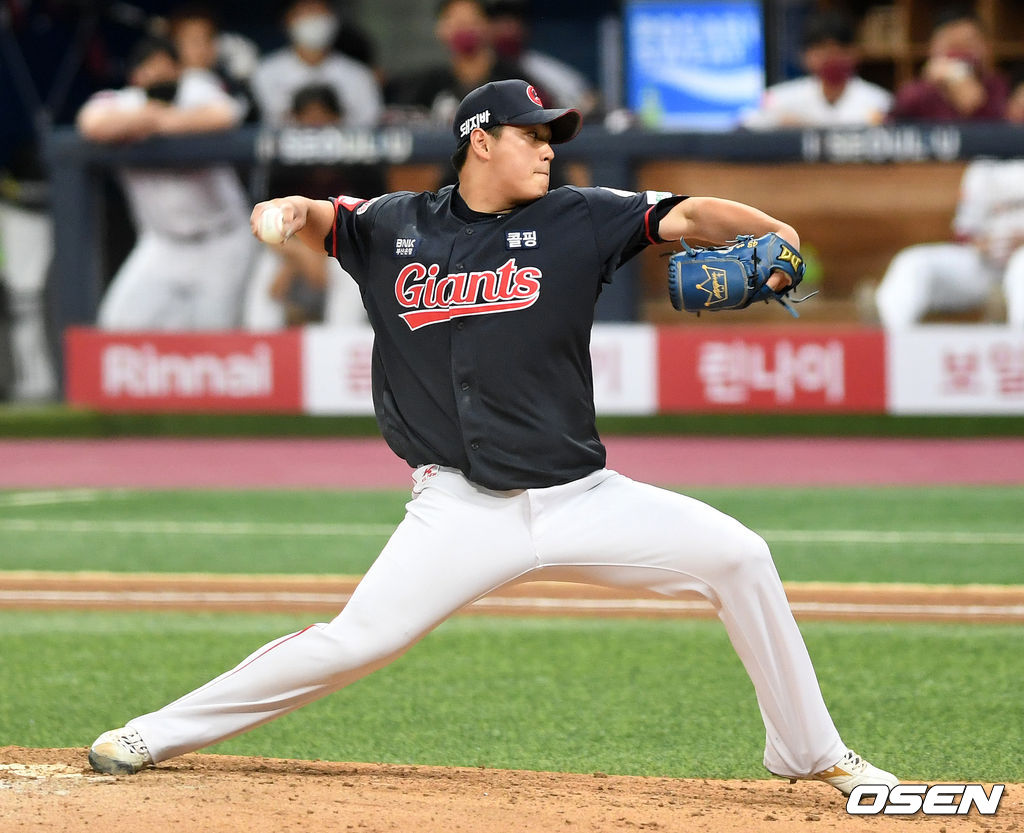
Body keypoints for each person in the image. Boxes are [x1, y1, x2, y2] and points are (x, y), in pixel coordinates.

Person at [88, 78, 898, 799]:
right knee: (354, 641)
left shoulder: (577, 217)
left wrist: (777, 231)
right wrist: (285, 211)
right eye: (533, 135)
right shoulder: (398, 226)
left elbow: (681, 214)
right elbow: (323, 216)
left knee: (740, 556)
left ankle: (810, 751)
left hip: (584, 498)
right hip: (459, 508)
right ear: (480, 140)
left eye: (551, 137)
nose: (548, 151)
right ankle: (152, 731)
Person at [76, 36, 255, 330]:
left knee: (213, 338)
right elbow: (90, 124)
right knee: (116, 326)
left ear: (179, 72)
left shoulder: (198, 89)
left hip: (221, 241)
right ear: (135, 77)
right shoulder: (122, 102)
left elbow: (225, 114)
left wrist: (154, 123)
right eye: (151, 70)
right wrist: (152, 117)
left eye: (167, 69)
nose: (160, 76)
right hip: (162, 244)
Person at [244, 84, 373, 329]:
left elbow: (371, 224)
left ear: (337, 118)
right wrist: (297, 258)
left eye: (322, 116)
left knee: (350, 280)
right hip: (291, 247)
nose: (315, 124)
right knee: (266, 284)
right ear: (295, 120)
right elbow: (266, 224)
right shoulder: (282, 162)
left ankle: (338, 352)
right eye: (307, 117)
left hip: (344, 249)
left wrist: (320, 255)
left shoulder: (361, 159)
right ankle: (265, 354)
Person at [873, 152, 1024, 328]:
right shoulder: (983, 166)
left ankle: (1018, 346)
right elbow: (964, 231)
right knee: (913, 262)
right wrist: (981, 244)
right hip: (985, 264)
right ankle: (886, 339)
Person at [386, 0, 536, 128]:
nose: (464, 29)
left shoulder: (514, 81)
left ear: (487, 26)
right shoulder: (425, 84)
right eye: (457, 22)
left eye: (471, 21)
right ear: (440, 30)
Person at [741, 10, 892, 129]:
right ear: (805, 55)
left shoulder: (879, 100)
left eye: (838, 49)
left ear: (854, 53)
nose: (831, 57)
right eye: (822, 49)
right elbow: (745, 126)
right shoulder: (780, 98)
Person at [249, 0, 382, 128]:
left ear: (334, 18)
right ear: (287, 19)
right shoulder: (265, 72)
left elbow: (370, 126)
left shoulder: (358, 74)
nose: (313, 19)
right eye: (306, 12)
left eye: (319, 12)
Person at [888, 7, 1009, 123]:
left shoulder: (997, 86)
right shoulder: (914, 92)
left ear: (986, 47)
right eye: (951, 45)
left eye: (968, 42)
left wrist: (974, 103)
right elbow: (893, 126)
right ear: (930, 47)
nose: (960, 52)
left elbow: (1002, 132)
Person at [486, 0, 597, 115]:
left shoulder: (533, 65)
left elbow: (586, 98)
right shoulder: (479, 66)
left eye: (513, 22)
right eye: (501, 23)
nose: (508, 30)